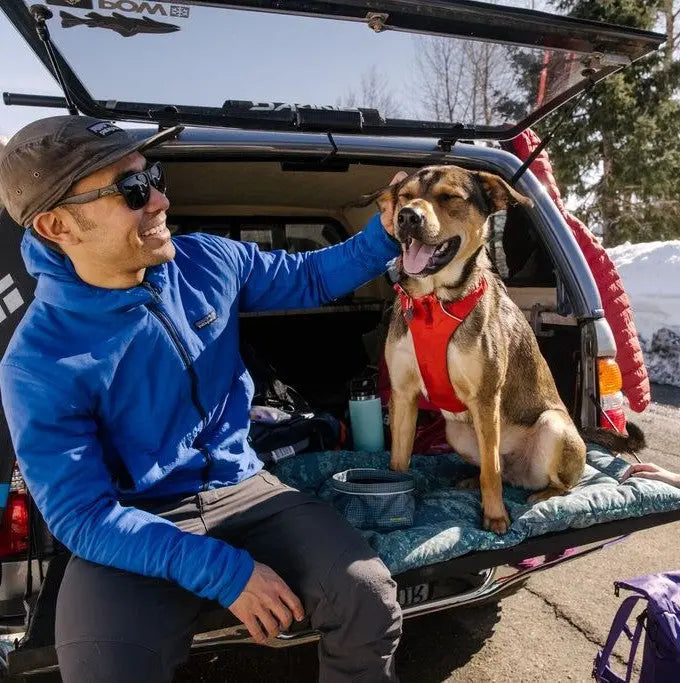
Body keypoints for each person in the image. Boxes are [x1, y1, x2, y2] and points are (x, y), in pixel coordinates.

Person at [0, 116, 405, 683]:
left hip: (245, 488)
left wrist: (386, 231)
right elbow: (82, 514)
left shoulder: (207, 262)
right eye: (133, 190)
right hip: (133, 520)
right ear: (57, 225)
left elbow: (311, 276)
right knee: (100, 669)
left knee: (367, 598)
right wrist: (225, 573)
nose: (162, 199)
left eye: (154, 176)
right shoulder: (37, 361)